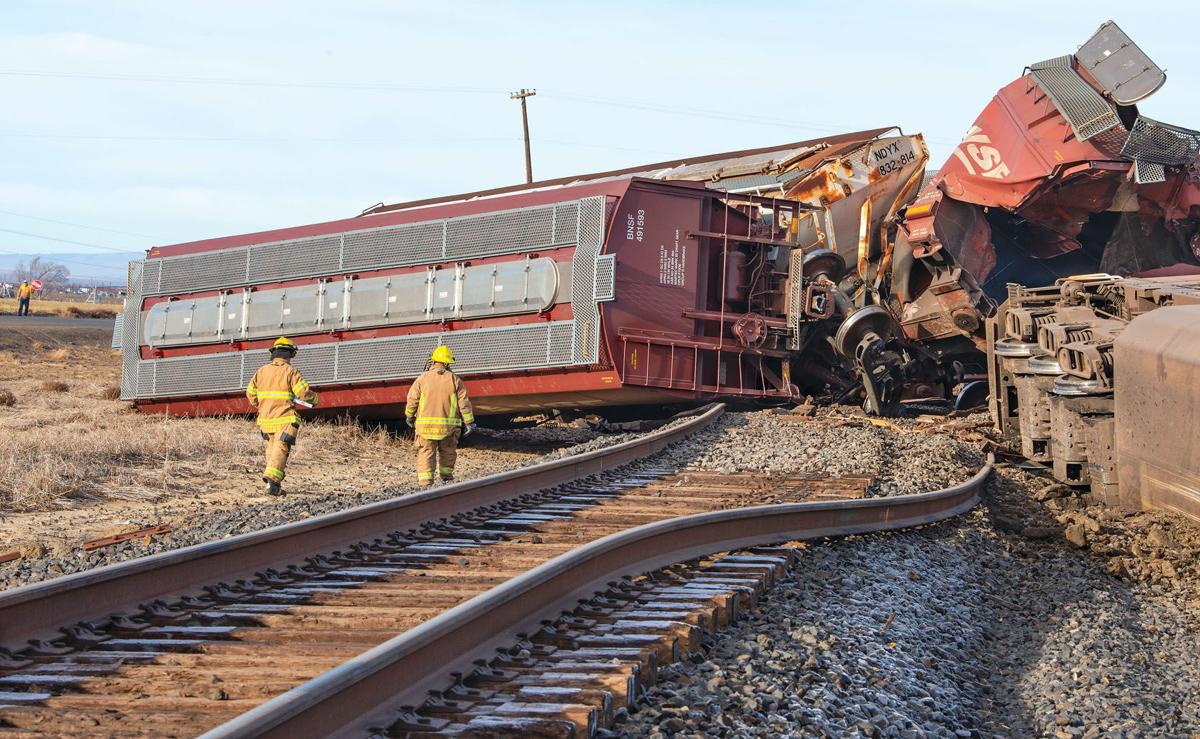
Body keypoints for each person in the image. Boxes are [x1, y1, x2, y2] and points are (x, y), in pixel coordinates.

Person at [246, 337, 319, 496]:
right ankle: (272, 479)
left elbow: (250, 393)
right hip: (285, 419)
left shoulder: (261, 371)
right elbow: (303, 394)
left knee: (272, 450)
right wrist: (315, 399)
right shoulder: (290, 371)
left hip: (265, 420)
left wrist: (262, 405)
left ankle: (273, 485)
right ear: (289, 354)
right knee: (281, 448)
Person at [405, 345, 475, 486]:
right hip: (448, 428)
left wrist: (409, 416)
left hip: (425, 428)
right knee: (448, 451)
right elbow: (464, 404)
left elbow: (412, 399)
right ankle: (446, 477)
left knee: (426, 453)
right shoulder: (455, 380)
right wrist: (469, 422)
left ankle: (425, 482)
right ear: (447, 363)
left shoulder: (422, 378)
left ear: (433, 361)